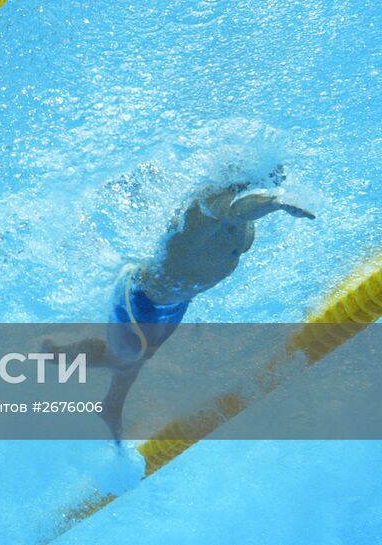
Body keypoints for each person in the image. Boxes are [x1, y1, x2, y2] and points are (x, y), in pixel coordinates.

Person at [46, 175, 315, 439]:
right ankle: (57, 355)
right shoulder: (205, 207)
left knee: (139, 357)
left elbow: (241, 215)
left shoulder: (244, 224)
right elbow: (234, 210)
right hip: (143, 299)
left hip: (177, 303)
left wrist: (271, 199)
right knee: (127, 357)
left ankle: (109, 404)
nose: (274, 182)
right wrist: (277, 203)